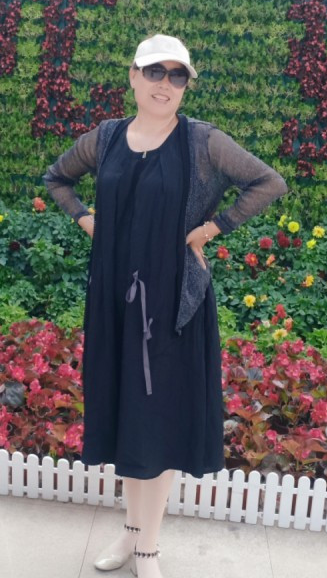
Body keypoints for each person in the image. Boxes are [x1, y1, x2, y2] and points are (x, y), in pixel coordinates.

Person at [42, 34, 288, 578]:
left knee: (157, 426)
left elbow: (269, 182)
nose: (165, 84)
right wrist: (86, 219)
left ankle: (148, 549)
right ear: (133, 75)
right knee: (130, 424)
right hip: (116, 300)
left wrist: (213, 227)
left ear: (185, 86)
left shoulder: (202, 141)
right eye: (156, 71)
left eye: (178, 76)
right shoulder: (106, 138)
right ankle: (132, 536)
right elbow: (57, 178)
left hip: (174, 305)